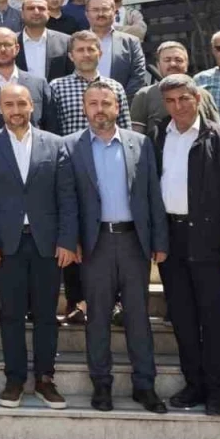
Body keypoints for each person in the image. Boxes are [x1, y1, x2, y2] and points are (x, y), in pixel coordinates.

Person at [0, 84, 77, 409]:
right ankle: (15, 379)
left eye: (21, 103)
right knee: (11, 315)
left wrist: (67, 240)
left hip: (48, 244)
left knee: (46, 315)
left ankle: (45, 379)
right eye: (9, 105)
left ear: (32, 106)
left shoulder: (55, 144)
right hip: (7, 246)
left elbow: (67, 197)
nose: (16, 110)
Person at [68, 80, 169, 414]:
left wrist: (159, 241)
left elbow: (153, 195)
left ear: (117, 107)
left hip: (133, 243)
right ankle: (101, 385)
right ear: (85, 108)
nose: (100, 110)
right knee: (97, 317)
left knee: (138, 316)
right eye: (93, 103)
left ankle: (145, 385)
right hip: (94, 244)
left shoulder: (140, 143)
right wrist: (72, 240)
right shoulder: (71, 146)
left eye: (106, 103)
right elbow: (67, 200)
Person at [149, 74, 220, 417]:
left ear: (197, 98)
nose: (178, 106)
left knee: (213, 318)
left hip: (208, 239)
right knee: (183, 318)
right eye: (171, 101)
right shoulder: (158, 135)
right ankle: (194, 385)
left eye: (184, 98)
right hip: (171, 239)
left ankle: (219, 391)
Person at [51, 32, 133, 325]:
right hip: (73, 169)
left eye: (91, 49)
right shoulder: (57, 87)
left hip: (109, 166)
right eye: (80, 50)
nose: (86, 54)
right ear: (71, 55)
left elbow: (126, 131)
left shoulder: (115, 87)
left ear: (100, 53)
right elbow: (53, 130)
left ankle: (117, 302)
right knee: (74, 234)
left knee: (111, 240)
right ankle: (77, 302)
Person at [0, 27, 57, 135]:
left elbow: (51, 128)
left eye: (7, 44)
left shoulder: (38, 84)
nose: (3, 49)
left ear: (17, 48)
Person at [130, 42, 220, 133]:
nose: (173, 64)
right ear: (158, 65)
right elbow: (137, 135)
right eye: (167, 60)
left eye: (178, 60)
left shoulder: (204, 95)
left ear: (187, 64)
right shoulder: (145, 95)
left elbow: (217, 130)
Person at [84, 0, 147, 98]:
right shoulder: (76, 41)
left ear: (114, 12)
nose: (100, 14)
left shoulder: (131, 42)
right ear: (86, 14)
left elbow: (138, 76)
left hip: (122, 102)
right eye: (95, 10)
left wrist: (120, 100)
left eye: (105, 9)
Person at [15, 0, 70, 82]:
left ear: (48, 13)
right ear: (22, 14)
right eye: (31, 8)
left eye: (41, 8)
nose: (36, 12)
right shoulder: (11, 41)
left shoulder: (66, 41)